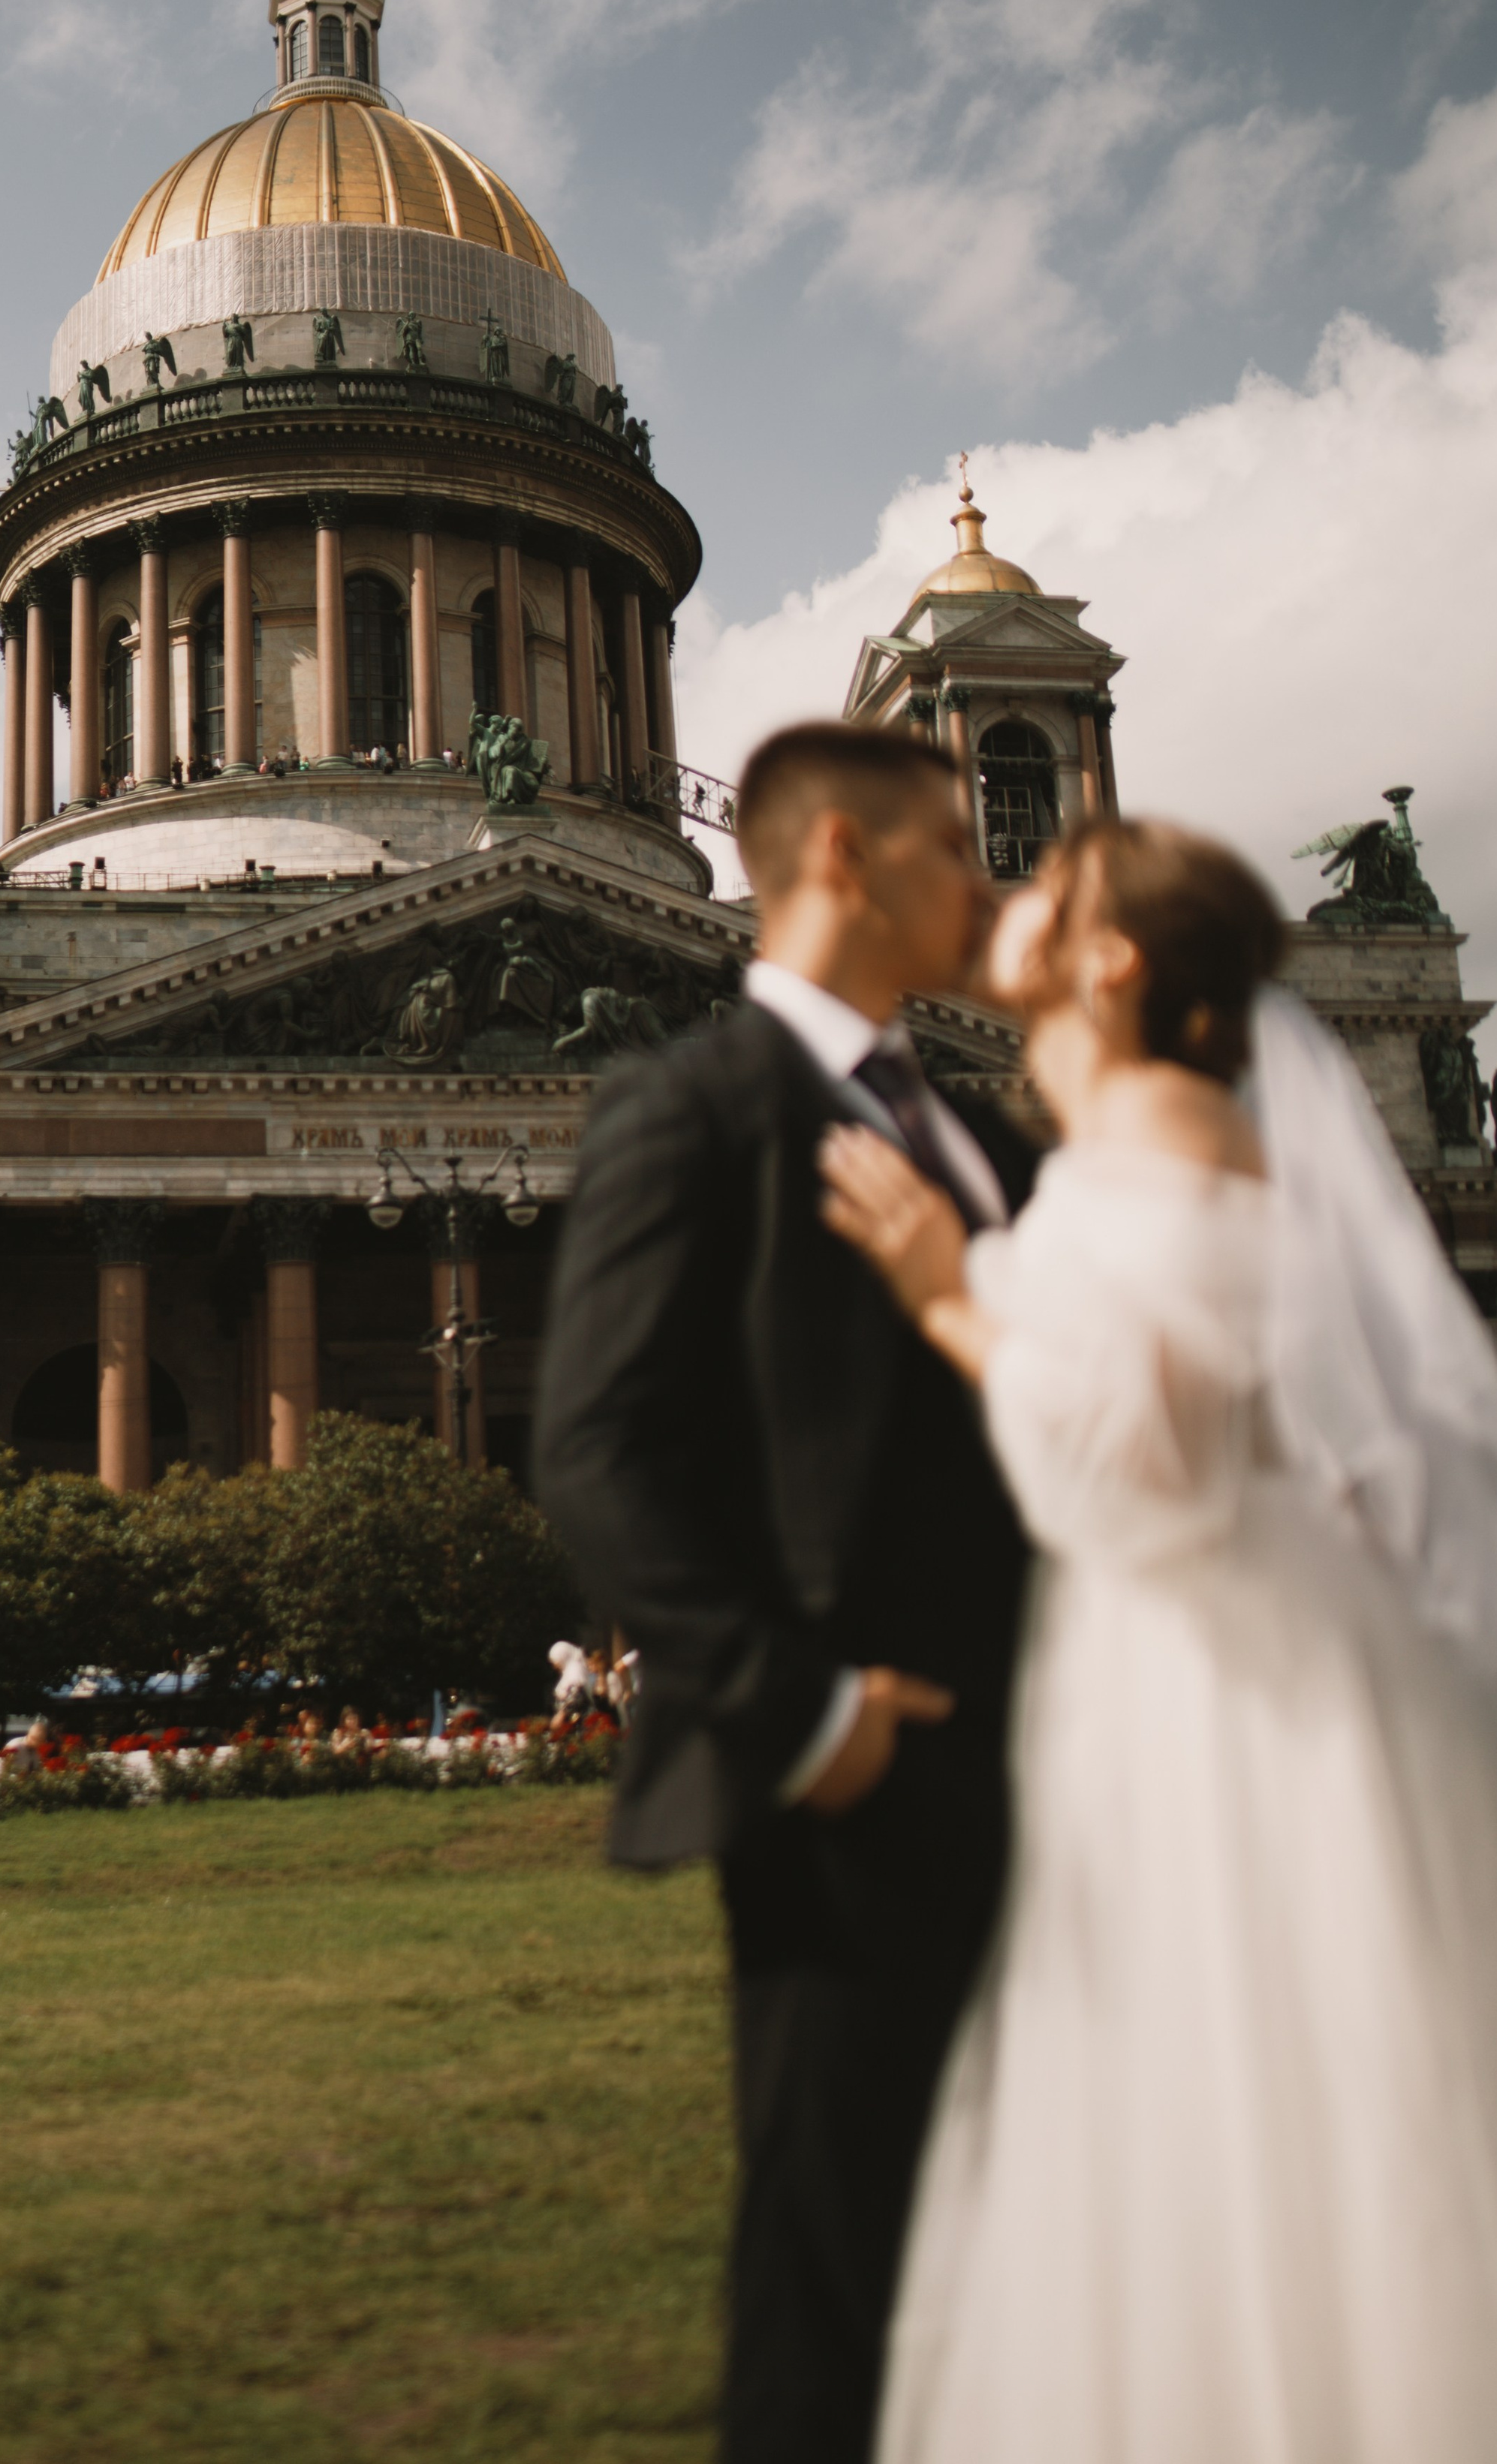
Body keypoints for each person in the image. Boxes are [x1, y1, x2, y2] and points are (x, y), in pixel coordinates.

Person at [820, 817, 1497, 2464]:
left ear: (1105, 964)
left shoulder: (1146, 1149)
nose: (1003, 898)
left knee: (1214, 2133)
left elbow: (1136, 1471)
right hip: (1255, 1665)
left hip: (1210, 1693)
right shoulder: (1195, 1138)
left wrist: (949, 1296)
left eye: (1052, 892)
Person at [535, 721, 1038, 2464]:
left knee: (1028, 2241)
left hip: (1059, 1760)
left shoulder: (986, 1131)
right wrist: (799, 1712)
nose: (982, 888)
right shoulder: (685, 1103)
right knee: (835, 2245)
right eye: (948, 852)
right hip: (854, 1780)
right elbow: (594, 1449)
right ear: (836, 856)